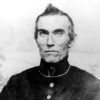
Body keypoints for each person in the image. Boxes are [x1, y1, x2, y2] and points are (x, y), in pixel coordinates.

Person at [0, 4, 100, 100]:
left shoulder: (91, 86)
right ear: (36, 39)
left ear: (71, 40)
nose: (50, 42)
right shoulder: (16, 84)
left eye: (58, 33)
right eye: (43, 34)